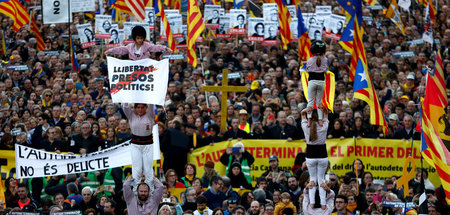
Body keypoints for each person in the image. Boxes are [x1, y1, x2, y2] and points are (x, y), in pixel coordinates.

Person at [121, 103, 156, 192]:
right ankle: (136, 192)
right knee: (137, 170)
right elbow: (124, 106)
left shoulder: (150, 114)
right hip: (135, 145)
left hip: (148, 145)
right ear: (135, 108)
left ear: (146, 108)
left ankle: (150, 192)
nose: (140, 110)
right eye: (138, 107)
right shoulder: (131, 115)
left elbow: (151, 103)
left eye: (142, 107)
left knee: (148, 170)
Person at [301, 107, 329, 209]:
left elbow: (302, 114)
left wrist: (307, 109)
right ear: (319, 117)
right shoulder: (323, 126)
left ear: (310, 117)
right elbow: (326, 115)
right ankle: (323, 204)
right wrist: (324, 110)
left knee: (312, 179)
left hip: (311, 156)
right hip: (322, 156)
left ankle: (312, 203)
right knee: (321, 179)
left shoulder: (306, 126)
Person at [105, 25, 172, 60]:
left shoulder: (147, 45)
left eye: (141, 38)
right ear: (134, 38)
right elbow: (120, 50)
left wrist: (166, 48)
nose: (139, 40)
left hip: (145, 68)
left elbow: (155, 47)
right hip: (134, 68)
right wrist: (110, 51)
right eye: (138, 38)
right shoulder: (130, 46)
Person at [304, 40, 328, 126]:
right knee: (319, 102)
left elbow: (308, 70)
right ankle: (320, 119)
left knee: (310, 101)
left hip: (312, 82)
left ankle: (309, 119)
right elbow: (325, 70)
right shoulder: (325, 60)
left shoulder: (310, 60)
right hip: (321, 82)